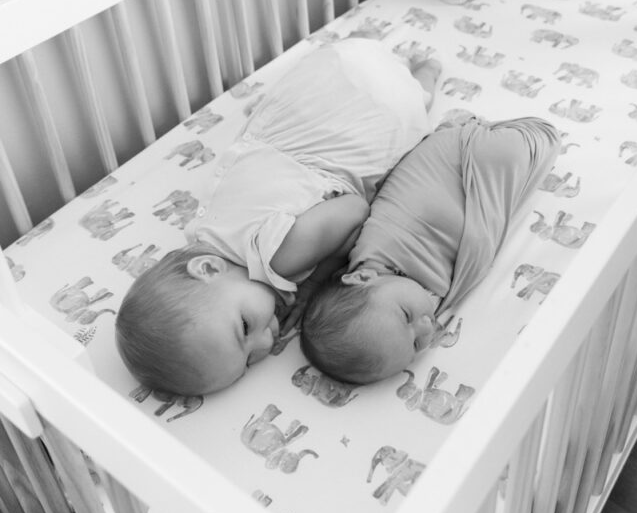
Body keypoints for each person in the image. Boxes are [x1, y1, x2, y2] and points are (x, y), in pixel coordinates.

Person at [115, 37, 441, 395]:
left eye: (244, 328)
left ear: (208, 269)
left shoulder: (275, 255)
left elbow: (355, 209)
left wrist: (314, 282)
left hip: (375, 109)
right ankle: (405, 62)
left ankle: (423, 76)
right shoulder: (205, 227)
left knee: (411, 108)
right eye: (250, 361)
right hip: (328, 73)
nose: (266, 342)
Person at [300, 112, 560, 384]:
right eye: (414, 346)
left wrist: (312, 283)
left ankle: (476, 132)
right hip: (470, 174)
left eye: (406, 315)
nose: (426, 326)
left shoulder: (376, 251)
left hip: (461, 157)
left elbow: (340, 239)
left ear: (361, 277)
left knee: (511, 151)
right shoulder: (391, 299)